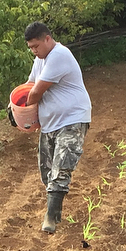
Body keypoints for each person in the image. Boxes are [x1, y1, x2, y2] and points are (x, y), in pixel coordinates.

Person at [22, 21, 92, 234]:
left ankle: (50, 218)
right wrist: (14, 103)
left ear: (47, 39)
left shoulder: (59, 55)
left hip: (72, 119)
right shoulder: (40, 59)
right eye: (31, 48)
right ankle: (56, 211)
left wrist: (21, 110)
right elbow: (28, 85)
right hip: (50, 124)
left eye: (36, 46)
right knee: (47, 171)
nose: (34, 51)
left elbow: (35, 92)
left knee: (61, 168)